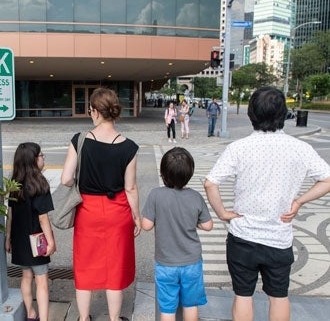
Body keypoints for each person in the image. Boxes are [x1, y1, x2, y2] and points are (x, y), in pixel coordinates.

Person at [204, 86, 330, 321]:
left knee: (243, 295)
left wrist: (222, 213)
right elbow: (327, 179)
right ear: (283, 114)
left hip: (243, 236)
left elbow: (211, 183)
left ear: (252, 113)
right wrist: (299, 201)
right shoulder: (300, 148)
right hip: (279, 238)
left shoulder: (239, 148)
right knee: (279, 296)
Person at [61, 87, 141, 321]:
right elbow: (130, 188)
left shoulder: (80, 140)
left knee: (85, 265)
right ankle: (115, 319)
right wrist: (136, 216)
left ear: (95, 111)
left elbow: (66, 178)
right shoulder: (129, 147)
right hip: (118, 211)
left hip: (88, 210)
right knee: (115, 267)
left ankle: (84, 318)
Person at [142, 147, 213, 321]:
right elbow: (208, 225)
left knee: (167, 307)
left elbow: (146, 225)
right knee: (190, 304)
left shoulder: (156, 195)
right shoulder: (195, 197)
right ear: (189, 174)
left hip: (165, 263)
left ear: (163, 173)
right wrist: (194, 221)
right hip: (191, 263)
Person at [5, 142, 56, 321]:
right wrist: (51, 242)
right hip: (37, 241)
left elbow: (10, 214)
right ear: (33, 161)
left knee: (26, 276)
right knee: (41, 280)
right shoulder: (40, 185)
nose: (43, 158)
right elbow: (43, 218)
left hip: (19, 240)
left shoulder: (14, 184)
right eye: (41, 156)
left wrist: (8, 238)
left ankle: (30, 313)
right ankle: (43, 318)